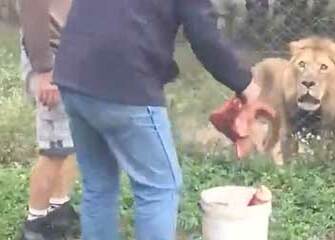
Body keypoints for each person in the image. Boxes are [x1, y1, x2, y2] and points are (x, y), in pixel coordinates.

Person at [21, 0, 267, 239]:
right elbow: (205, 38)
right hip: (127, 86)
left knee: (98, 186)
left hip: (72, 79)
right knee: (159, 188)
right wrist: (245, 85)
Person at [19, 0, 80, 239]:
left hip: (69, 53)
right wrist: (44, 71)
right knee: (54, 148)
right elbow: (32, 11)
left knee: (67, 142)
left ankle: (59, 207)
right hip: (51, 59)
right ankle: (34, 224)